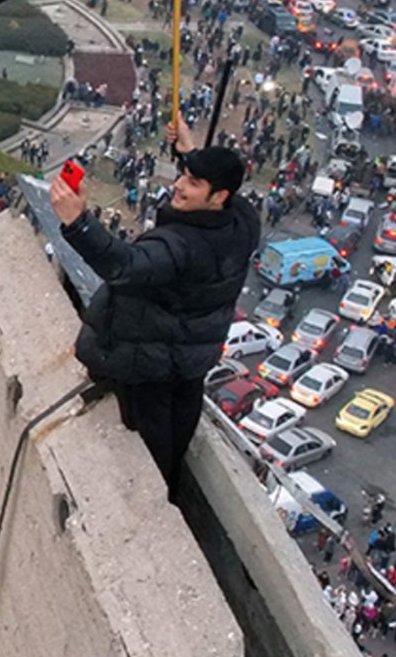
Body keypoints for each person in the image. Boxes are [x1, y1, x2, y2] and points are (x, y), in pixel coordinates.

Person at [51, 116, 261, 502]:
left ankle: (152, 507)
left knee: (151, 456)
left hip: (148, 363)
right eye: (184, 175)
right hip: (191, 361)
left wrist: (78, 223)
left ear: (218, 197)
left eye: (193, 182)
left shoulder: (180, 246)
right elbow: (227, 190)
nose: (178, 185)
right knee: (177, 436)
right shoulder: (244, 223)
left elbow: (125, 266)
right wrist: (191, 152)